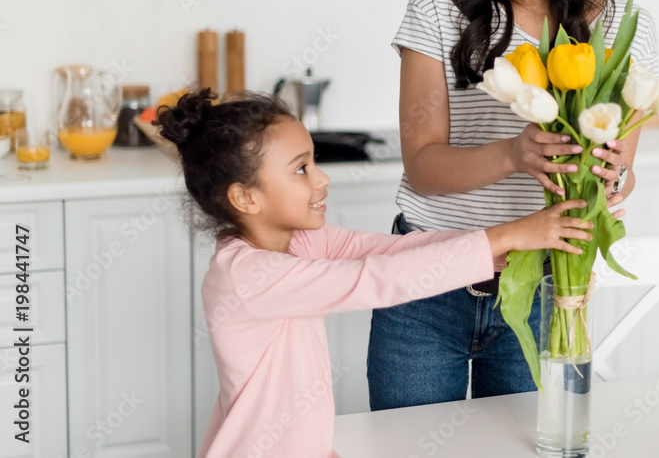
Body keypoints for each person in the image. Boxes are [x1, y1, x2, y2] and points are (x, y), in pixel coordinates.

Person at [367, 0, 659, 410]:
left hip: (546, 287)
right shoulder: (438, 12)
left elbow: (622, 173)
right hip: (427, 283)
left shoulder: (621, 27)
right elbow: (423, 169)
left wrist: (607, 174)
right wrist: (514, 154)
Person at [157, 88, 597, 458]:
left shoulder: (298, 242)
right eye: (301, 168)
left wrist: (498, 248)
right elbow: (375, 279)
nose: (322, 179)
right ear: (245, 198)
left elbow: (389, 251)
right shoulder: (248, 276)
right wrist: (503, 237)